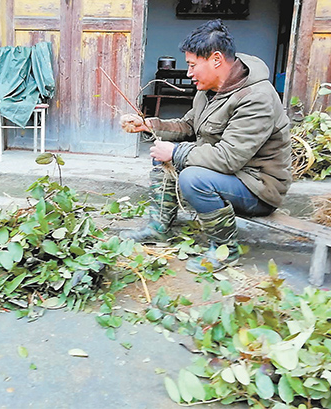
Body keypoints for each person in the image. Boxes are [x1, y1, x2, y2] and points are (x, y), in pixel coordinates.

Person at [120, 19, 292, 272]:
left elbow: (228, 158)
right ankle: (158, 228)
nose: (188, 73)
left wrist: (177, 152)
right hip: (230, 175)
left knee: (193, 177)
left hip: (258, 188)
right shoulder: (209, 90)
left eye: (192, 65)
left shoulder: (257, 97)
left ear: (216, 60)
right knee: (163, 153)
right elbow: (189, 126)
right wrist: (148, 124)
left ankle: (225, 250)